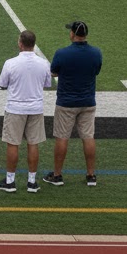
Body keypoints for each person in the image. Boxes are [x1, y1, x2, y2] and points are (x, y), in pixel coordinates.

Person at [44, 21, 102, 188]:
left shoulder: (62, 53)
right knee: (88, 137)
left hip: (66, 102)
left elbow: (53, 71)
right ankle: (91, 175)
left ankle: (57, 175)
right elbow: (96, 70)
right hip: (88, 101)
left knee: (62, 137)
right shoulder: (96, 53)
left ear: (73, 34)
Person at [0, 29, 51, 194]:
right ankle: (32, 182)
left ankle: (10, 181)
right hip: (35, 108)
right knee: (33, 143)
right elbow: (47, 83)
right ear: (33, 44)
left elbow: (2, 84)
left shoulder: (10, 63)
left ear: (20, 43)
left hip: (15, 108)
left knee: (13, 143)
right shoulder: (43, 63)